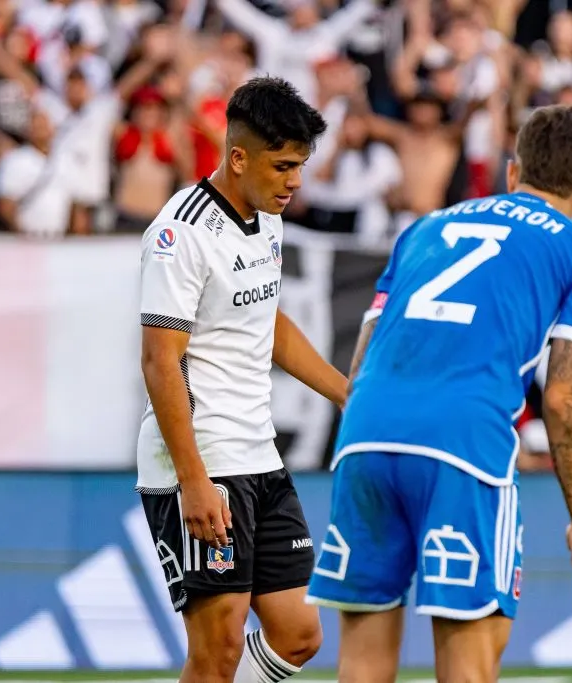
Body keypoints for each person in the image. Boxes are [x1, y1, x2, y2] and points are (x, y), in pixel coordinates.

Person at [306, 105, 572, 683]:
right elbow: (565, 398)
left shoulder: (424, 228)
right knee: (469, 667)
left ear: (513, 173)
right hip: (464, 445)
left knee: (361, 668)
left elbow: (362, 361)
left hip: (365, 433)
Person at [136, 76, 347, 683]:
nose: (295, 182)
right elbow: (160, 361)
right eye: (283, 166)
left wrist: (346, 396)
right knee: (217, 652)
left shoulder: (267, 216)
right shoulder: (181, 234)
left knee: (299, 634)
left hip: (259, 454)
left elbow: (267, 323)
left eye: (300, 166)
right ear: (238, 156)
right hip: (203, 459)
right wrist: (194, 480)